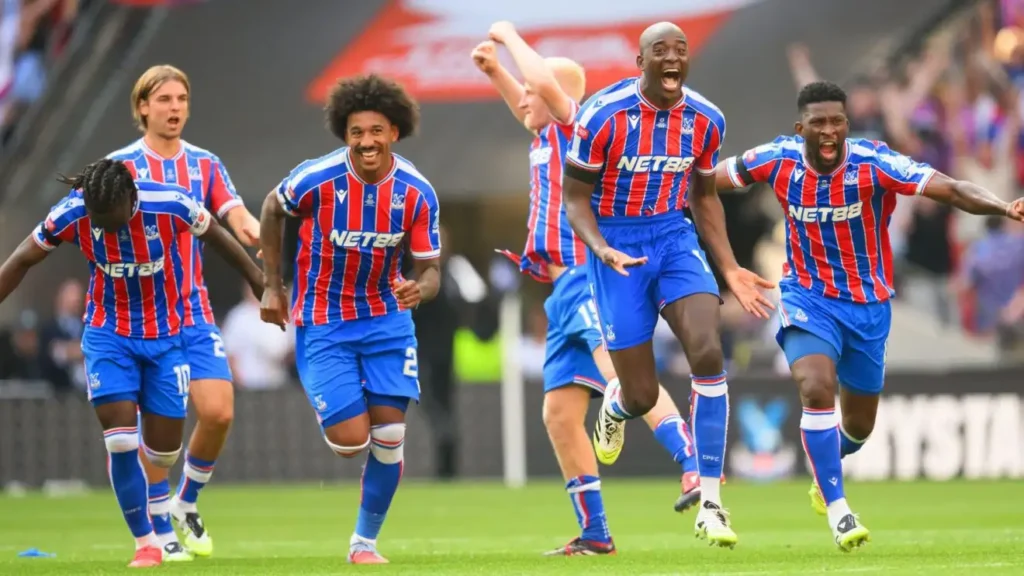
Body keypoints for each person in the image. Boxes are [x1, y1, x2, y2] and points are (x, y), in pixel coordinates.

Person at [715, 80, 1024, 550]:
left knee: (859, 427)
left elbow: (950, 188)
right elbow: (706, 178)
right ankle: (840, 511)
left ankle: (827, 465)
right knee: (816, 388)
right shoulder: (776, 158)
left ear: (847, 124)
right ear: (800, 128)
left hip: (867, 307)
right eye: (818, 122)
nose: (829, 130)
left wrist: (1004, 206)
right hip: (806, 297)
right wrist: (654, 184)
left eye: (837, 121)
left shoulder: (874, 162)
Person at [474, 21, 706, 556]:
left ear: (556, 96)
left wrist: (509, 37)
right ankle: (596, 534)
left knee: (623, 374)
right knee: (559, 415)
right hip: (560, 292)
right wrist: (495, 73)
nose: (523, 96)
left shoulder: (574, 125)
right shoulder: (544, 137)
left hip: (585, 275)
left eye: (531, 90)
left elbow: (542, 87)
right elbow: (528, 99)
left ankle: (693, 463)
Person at [561, 21, 774, 549]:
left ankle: (712, 505)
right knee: (641, 394)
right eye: (661, 50)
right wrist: (601, 248)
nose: (673, 57)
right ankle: (616, 406)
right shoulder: (602, 115)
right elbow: (575, 199)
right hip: (617, 245)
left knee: (708, 351)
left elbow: (704, 196)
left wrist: (729, 268)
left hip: (674, 238)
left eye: (680, 49)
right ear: (641, 61)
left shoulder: (706, 119)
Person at [0, 159, 263, 568]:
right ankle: (146, 543)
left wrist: (262, 283)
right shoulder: (74, 211)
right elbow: (20, 259)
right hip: (108, 336)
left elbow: (218, 236)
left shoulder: (171, 203)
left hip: (165, 337)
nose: (106, 227)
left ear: (131, 197)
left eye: (112, 217)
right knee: (121, 441)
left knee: (163, 455)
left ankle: (164, 490)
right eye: (98, 219)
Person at [257, 73, 441, 565]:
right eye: (356, 132)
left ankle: (364, 543)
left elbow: (430, 271)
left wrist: (418, 289)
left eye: (376, 131)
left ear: (394, 132)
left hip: (386, 320)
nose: (366, 141)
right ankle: (342, 402)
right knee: (350, 441)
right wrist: (272, 284)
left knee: (390, 436)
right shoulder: (316, 179)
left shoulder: (417, 192)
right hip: (325, 320)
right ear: (345, 134)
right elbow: (273, 206)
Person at [106, 64, 260, 560]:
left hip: (192, 310)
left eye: (181, 99)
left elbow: (234, 213)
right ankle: (157, 525)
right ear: (142, 107)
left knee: (218, 411)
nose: (175, 108)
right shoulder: (120, 167)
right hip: (137, 317)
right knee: (157, 429)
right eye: (164, 99)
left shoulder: (205, 164)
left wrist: (258, 233)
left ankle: (185, 501)